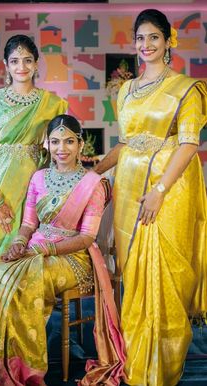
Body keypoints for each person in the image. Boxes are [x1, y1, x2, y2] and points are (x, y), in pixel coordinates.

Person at [94, 9, 207, 386]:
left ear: (168, 41)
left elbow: (189, 143)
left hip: (169, 191)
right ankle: (138, 360)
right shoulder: (125, 89)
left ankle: (162, 368)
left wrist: (159, 190)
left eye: (154, 38)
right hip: (129, 189)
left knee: (165, 276)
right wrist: (91, 174)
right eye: (140, 38)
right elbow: (125, 145)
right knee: (134, 276)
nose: (146, 45)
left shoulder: (186, 88)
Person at [0, 114, 125, 386]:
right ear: (47, 144)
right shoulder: (39, 177)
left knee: (25, 282)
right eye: (55, 142)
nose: (61, 148)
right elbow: (29, 223)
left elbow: (86, 237)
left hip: (74, 258)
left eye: (68, 141)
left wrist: (43, 249)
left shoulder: (92, 183)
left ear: (80, 144)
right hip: (34, 250)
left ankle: (23, 369)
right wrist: (19, 243)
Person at [0, 34, 68, 265]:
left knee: (25, 255)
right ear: (6, 65)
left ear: (36, 64)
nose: (21, 66)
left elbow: (61, 146)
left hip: (32, 188)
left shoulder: (53, 103)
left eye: (27, 60)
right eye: (15, 61)